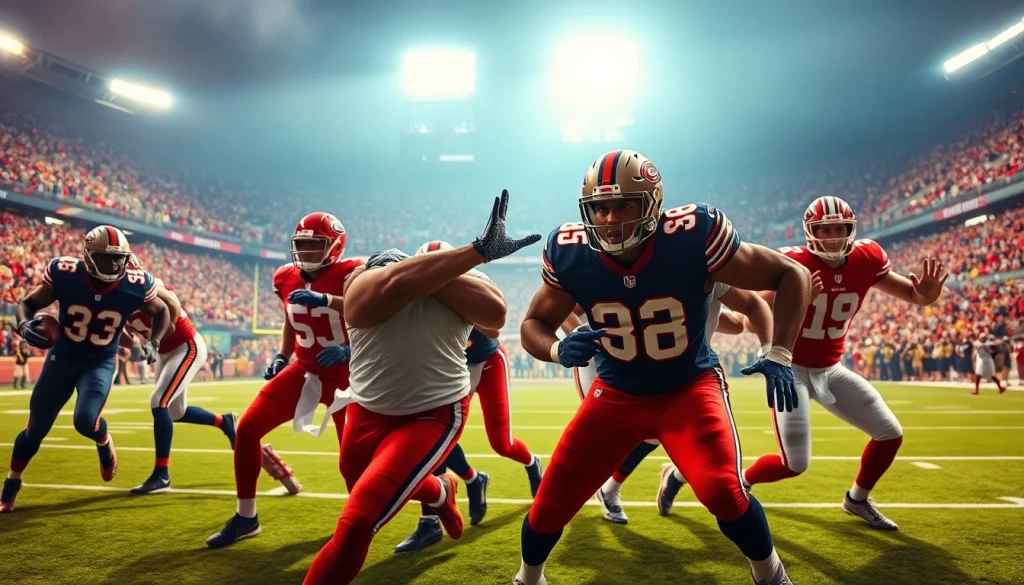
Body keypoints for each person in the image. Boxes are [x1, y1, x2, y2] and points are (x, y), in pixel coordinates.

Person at [514, 150, 811, 585]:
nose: (611, 218)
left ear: (652, 204)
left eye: (624, 205)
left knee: (723, 493)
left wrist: (780, 352)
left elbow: (792, 275)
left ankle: (771, 574)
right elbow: (532, 324)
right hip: (615, 392)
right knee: (548, 506)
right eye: (601, 207)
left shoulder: (693, 235)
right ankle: (528, 578)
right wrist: (558, 351)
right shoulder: (570, 250)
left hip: (687, 387)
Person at [303, 189, 540, 584]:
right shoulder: (364, 280)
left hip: (433, 412)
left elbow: (496, 317)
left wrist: (436, 270)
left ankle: (456, 487)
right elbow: (374, 298)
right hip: (367, 408)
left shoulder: (457, 278)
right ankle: (443, 491)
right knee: (357, 483)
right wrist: (442, 269)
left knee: (357, 522)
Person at [743, 196, 947, 531]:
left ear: (852, 229)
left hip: (830, 368)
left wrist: (927, 295)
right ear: (811, 231)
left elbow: (914, 295)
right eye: (826, 230)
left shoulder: (868, 257)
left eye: (840, 229)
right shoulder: (790, 263)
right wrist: (797, 299)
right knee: (794, 464)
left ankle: (857, 499)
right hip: (790, 370)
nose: (834, 237)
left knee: (889, 433)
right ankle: (742, 481)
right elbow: (754, 320)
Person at [561, 278, 775, 524]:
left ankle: (610, 488)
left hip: (663, 370)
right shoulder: (644, 264)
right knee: (605, 434)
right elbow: (566, 306)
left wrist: (768, 299)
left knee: (654, 431)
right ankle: (571, 496)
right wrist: (581, 335)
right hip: (605, 356)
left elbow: (739, 322)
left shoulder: (705, 265)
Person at [206, 212, 362, 548]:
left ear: (335, 246)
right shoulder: (285, 277)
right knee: (247, 430)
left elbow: (370, 311)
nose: (305, 252)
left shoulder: (353, 273)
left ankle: (359, 523)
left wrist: (347, 347)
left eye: (313, 244)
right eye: (301, 244)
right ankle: (246, 517)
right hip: (304, 369)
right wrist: (282, 354)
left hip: (347, 376)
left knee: (352, 460)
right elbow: (291, 318)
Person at [1, 226, 170, 513]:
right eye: (107, 258)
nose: (116, 264)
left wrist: (154, 342)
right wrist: (23, 325)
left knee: (85, 420)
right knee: (35, 430)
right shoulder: (65, 273)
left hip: (100, 361)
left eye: (120, 258)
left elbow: (163, 311)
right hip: (62, 358)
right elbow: (27, 304)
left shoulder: (136, 283)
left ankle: (103, 440)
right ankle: (11, 485)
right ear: (90, 256)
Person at [393, 240, 544, 554]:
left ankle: (531, 463)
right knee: (431, 435)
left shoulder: (473, 283)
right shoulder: (412, 289)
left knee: (501, 443)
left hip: (486, 362)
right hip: (448, 367)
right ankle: (436, 516)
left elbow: (492, 329)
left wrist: (453, 295)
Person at [123, 254, 237, 495]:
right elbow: (131, 333)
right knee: (176, 412)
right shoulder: (117, 299)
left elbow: (171, 316)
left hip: (186, 345)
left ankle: (161, 475)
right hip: (165, 352)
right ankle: (224, 421)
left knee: (158, 401)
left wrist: (153, 337)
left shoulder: (149, 285)